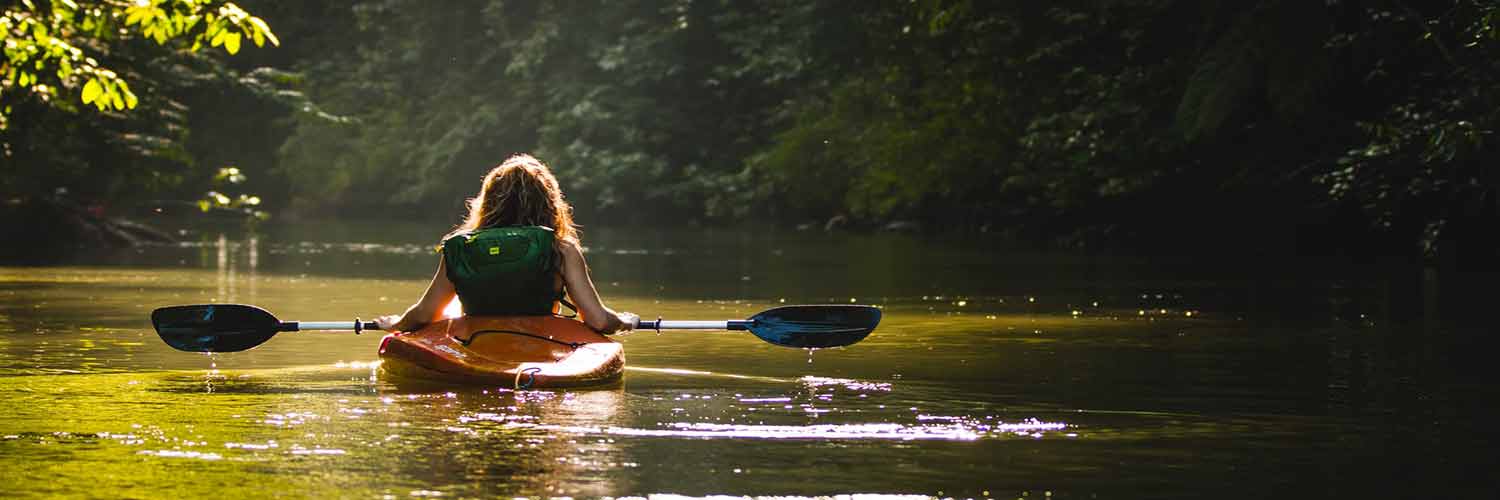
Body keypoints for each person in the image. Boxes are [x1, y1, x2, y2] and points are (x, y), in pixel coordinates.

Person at [375, 154, 637, 334]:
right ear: (549, 202)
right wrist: (624, 321)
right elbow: (599, 320)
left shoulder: (461, 248)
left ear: (488, 201)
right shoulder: (561, 250)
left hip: (476, 345)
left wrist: (397, 323)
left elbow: (424, 315)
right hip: (541, 345)